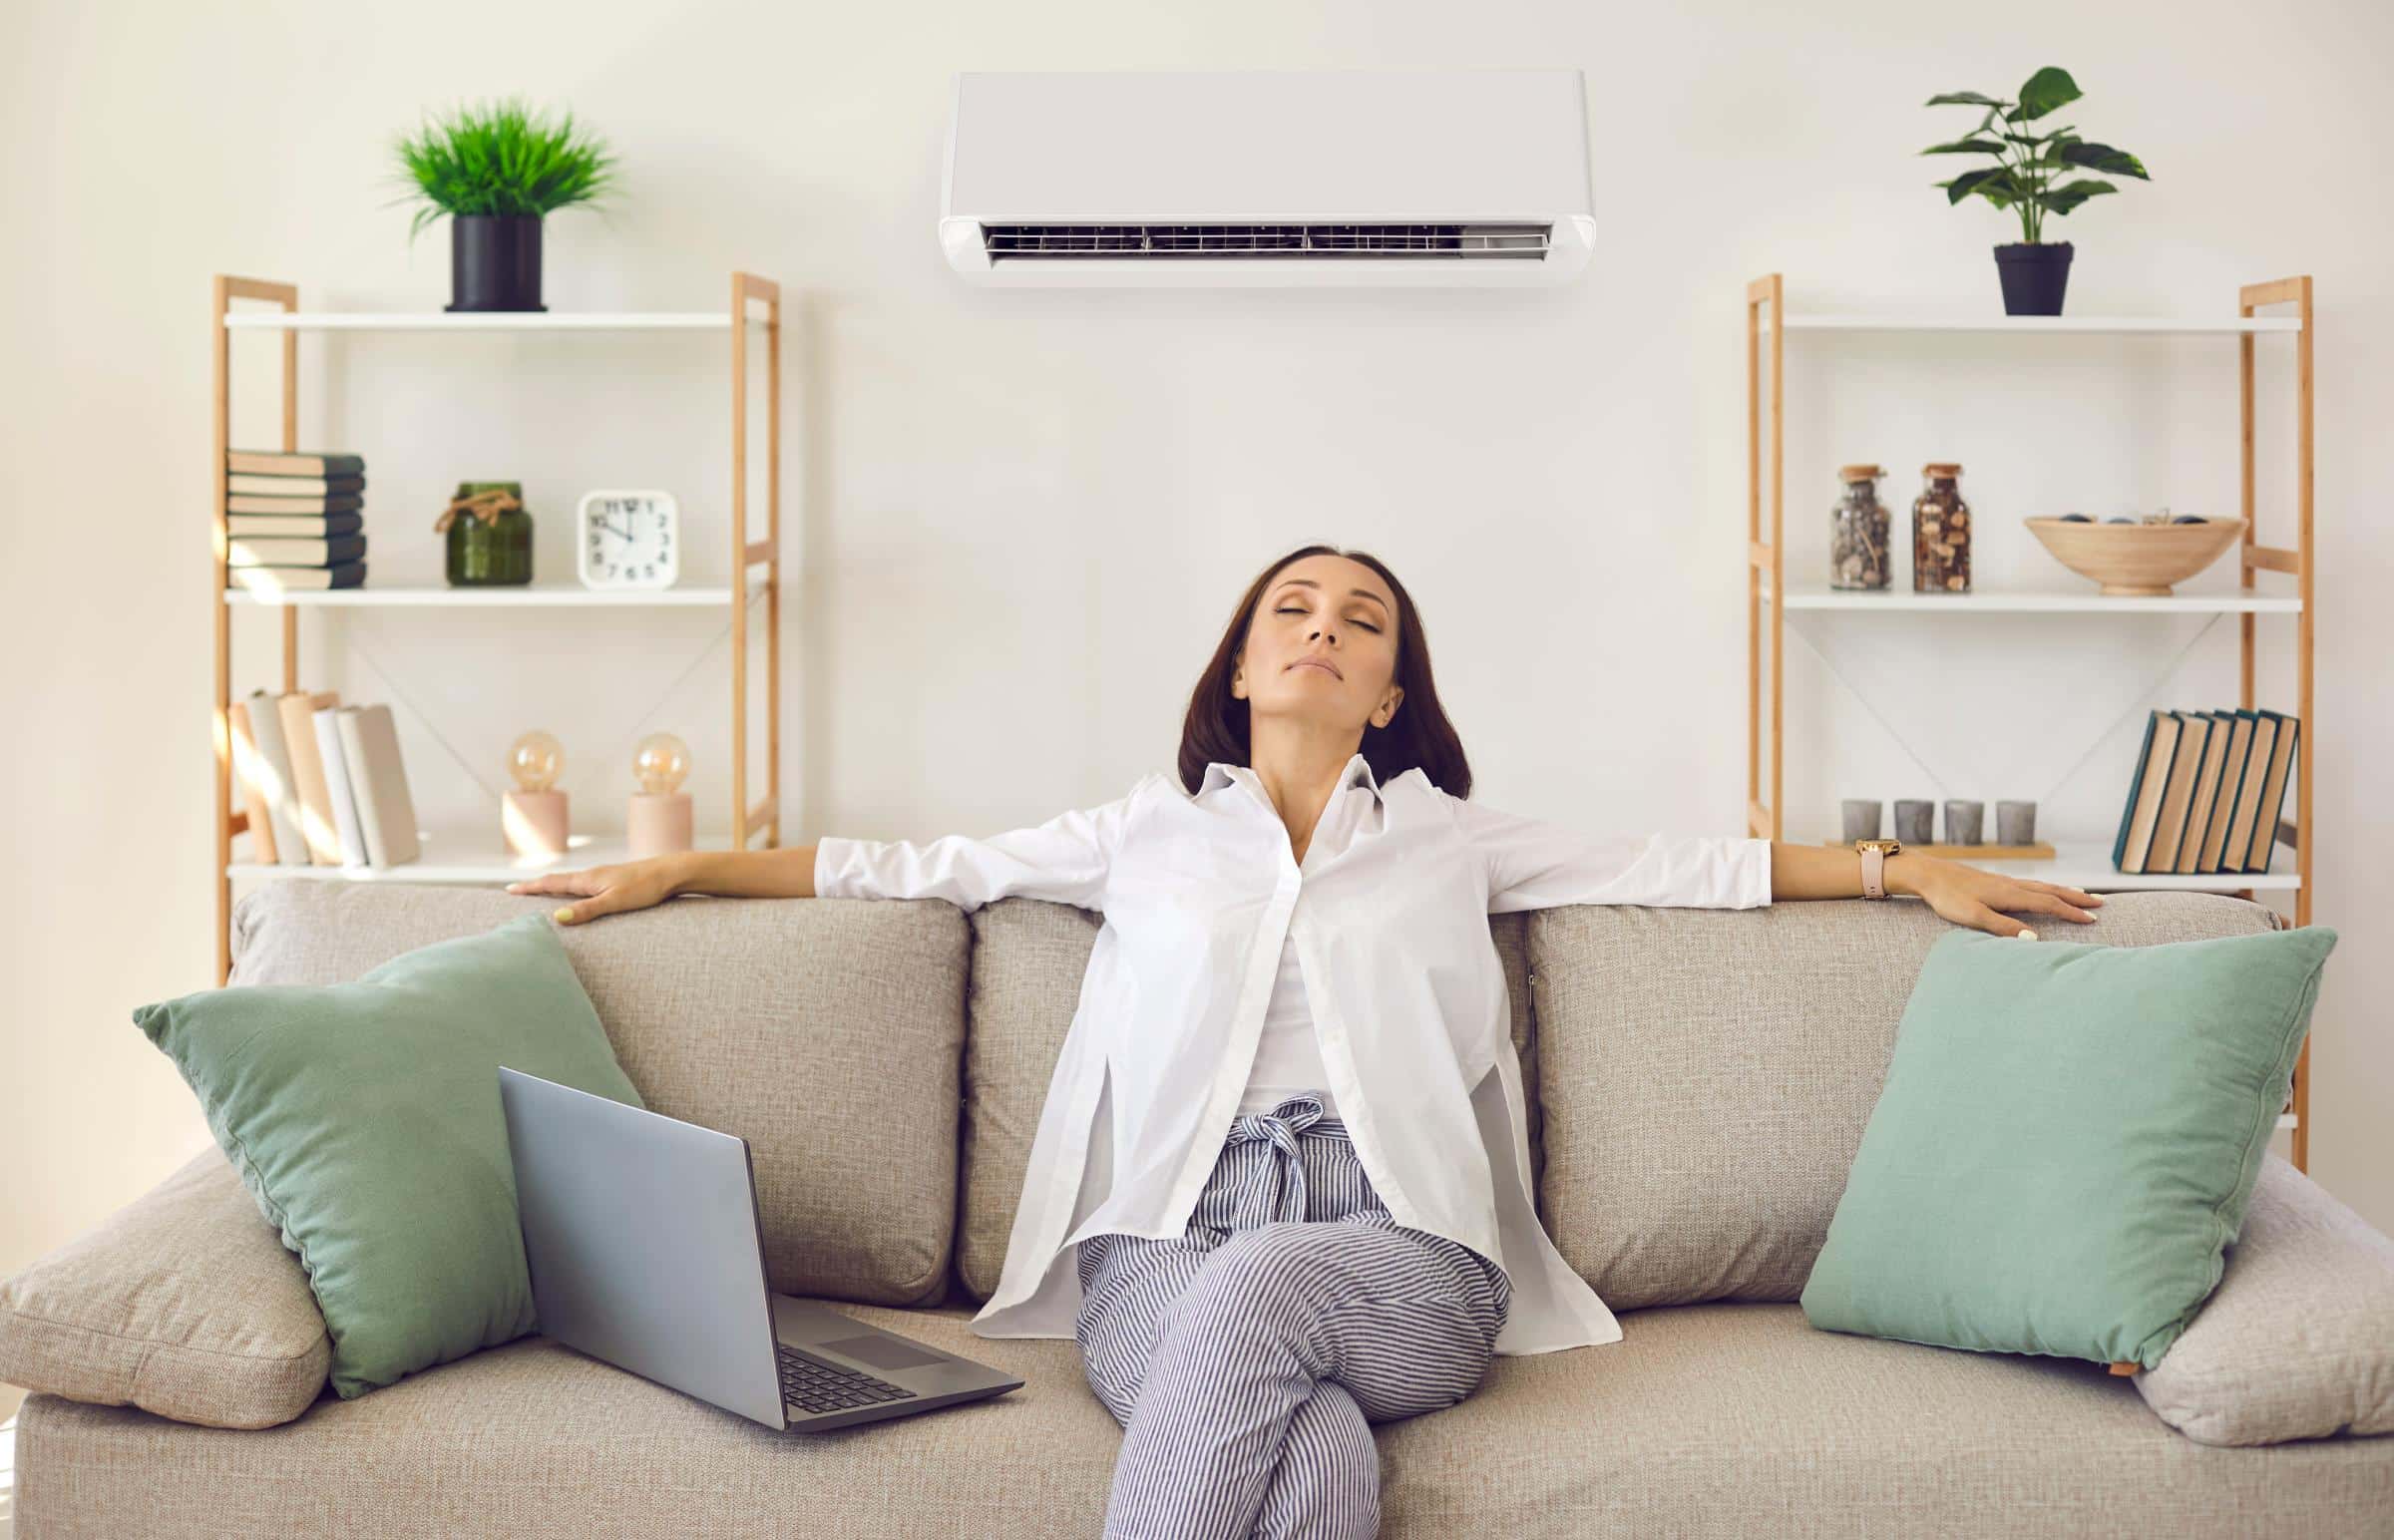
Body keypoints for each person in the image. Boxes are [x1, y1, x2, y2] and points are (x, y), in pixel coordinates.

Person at [509, 545, 2104, 1538]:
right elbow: (901, 865)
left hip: (1402, 1244)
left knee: (1275, 1302)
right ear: (1245, 662)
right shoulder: (1143, 833)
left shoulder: (1454, 839)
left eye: (1360, 621)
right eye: (1294, 609)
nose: (1322, 630)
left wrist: (1905, 869)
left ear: (1393, 693)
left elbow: (1698, 869)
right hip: (1162, 1247)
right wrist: (679, 862)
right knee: (1318, 1456)